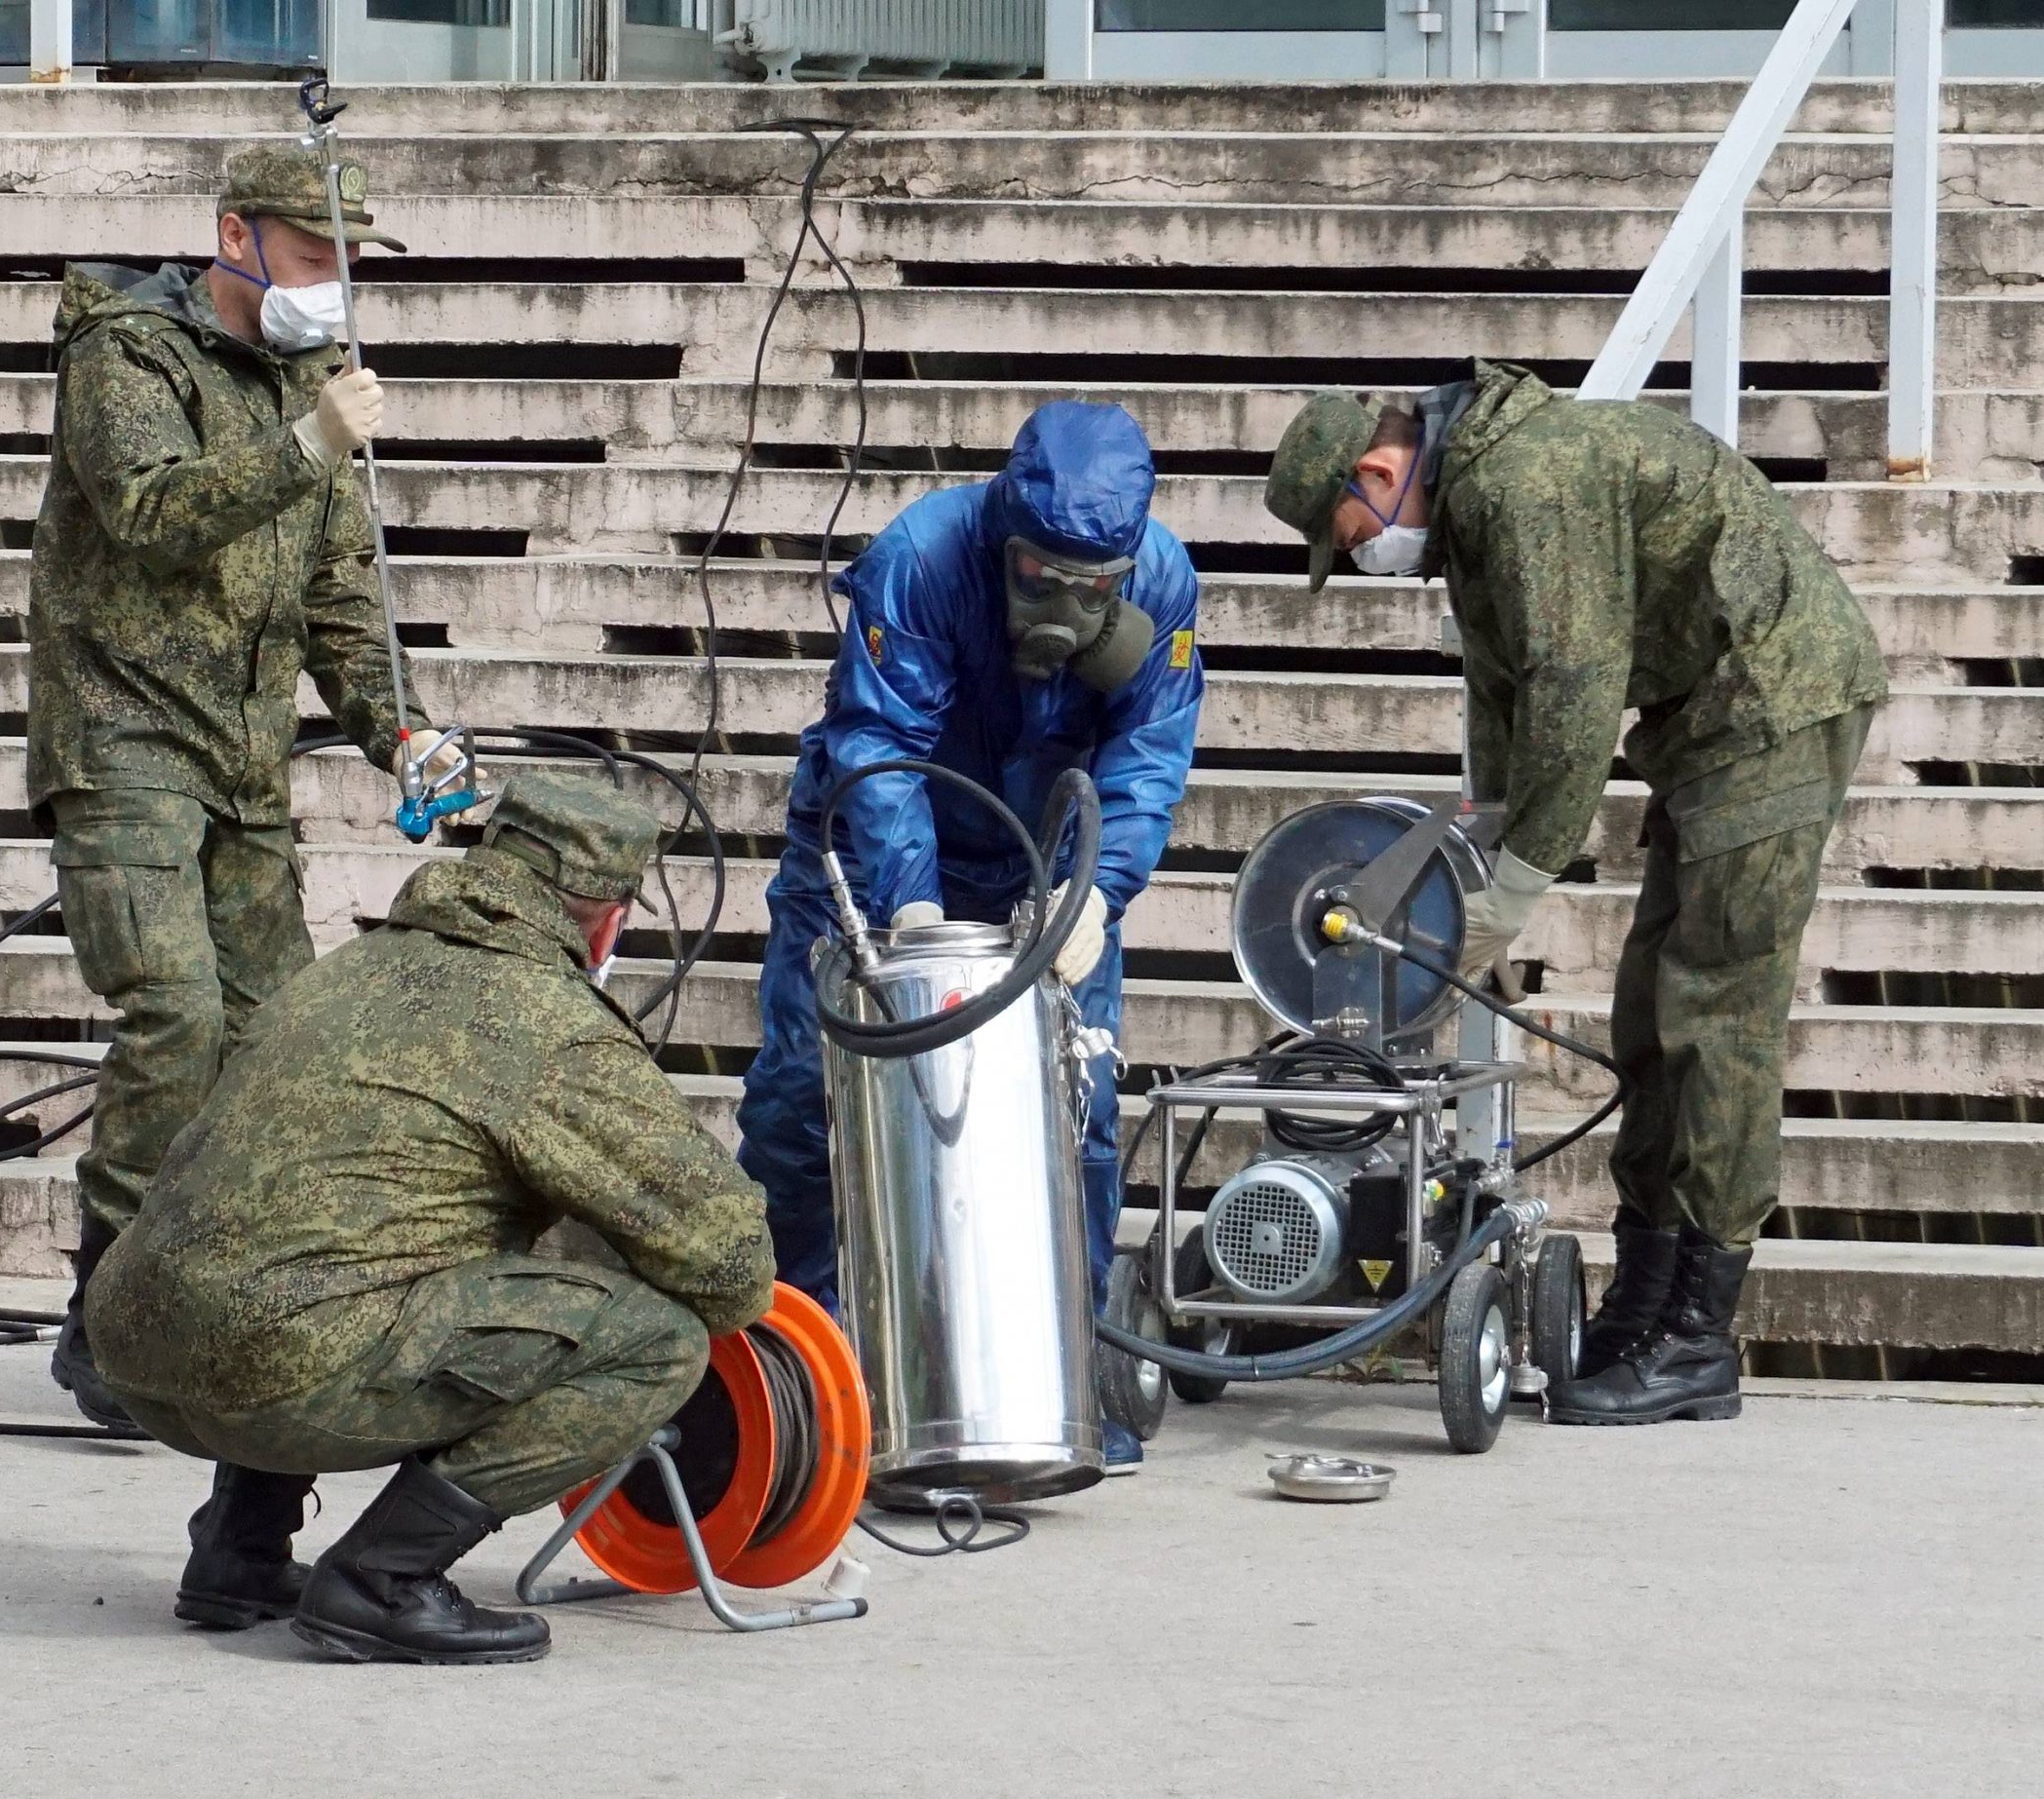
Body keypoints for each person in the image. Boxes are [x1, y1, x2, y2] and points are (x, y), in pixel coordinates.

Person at [1264, 364, 1886, 1426]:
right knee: (1647, 1014)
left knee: (1713, 1016)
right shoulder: (1474, 504)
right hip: (1707, 729)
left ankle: (1696, 1337)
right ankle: (1644, 1303)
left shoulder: (1524, 479)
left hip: (1772, 706)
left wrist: (1518, 879)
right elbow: (1503, 689)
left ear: (1378, 467)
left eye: (1352, 532)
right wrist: (1484, 843)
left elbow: (1572, 678)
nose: (1367, 555)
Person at [86, 774, 777, 1665]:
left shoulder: (343, 971)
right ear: (607, 922)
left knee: (336, 1247)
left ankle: (240, 1551)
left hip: (133, 1348)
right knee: (659, 1340)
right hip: (276, 1373)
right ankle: (381, 1581)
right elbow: (731, 1271)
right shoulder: (553, 1023)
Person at [26, 142, 467, 1432]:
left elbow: (341, 603)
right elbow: (153, 513)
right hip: (123, 740)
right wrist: (304, 442)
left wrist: (405, 734)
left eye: (348, 262)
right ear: (237, 236)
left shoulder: (313, 379)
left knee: (275, 1039)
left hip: (240, 762)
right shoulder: (128, 352)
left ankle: (213, 1297)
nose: (335, 285)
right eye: (316, 253)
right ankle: (106, 1311)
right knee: (173, 1015)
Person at [735, 401, 1205, 1473]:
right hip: (871, 855)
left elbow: (1146, 757)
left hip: (1045, 868)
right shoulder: (921, 558)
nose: (1062, 602)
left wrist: (1097, 896)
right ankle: (795, 1381)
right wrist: (909, 911)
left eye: (1090, 587)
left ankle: (1059, 1386)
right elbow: (880, 740)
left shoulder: (1163, 583)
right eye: (1040, 574)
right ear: (1004, 539)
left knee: (1073, 1117)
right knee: (807, 1101)